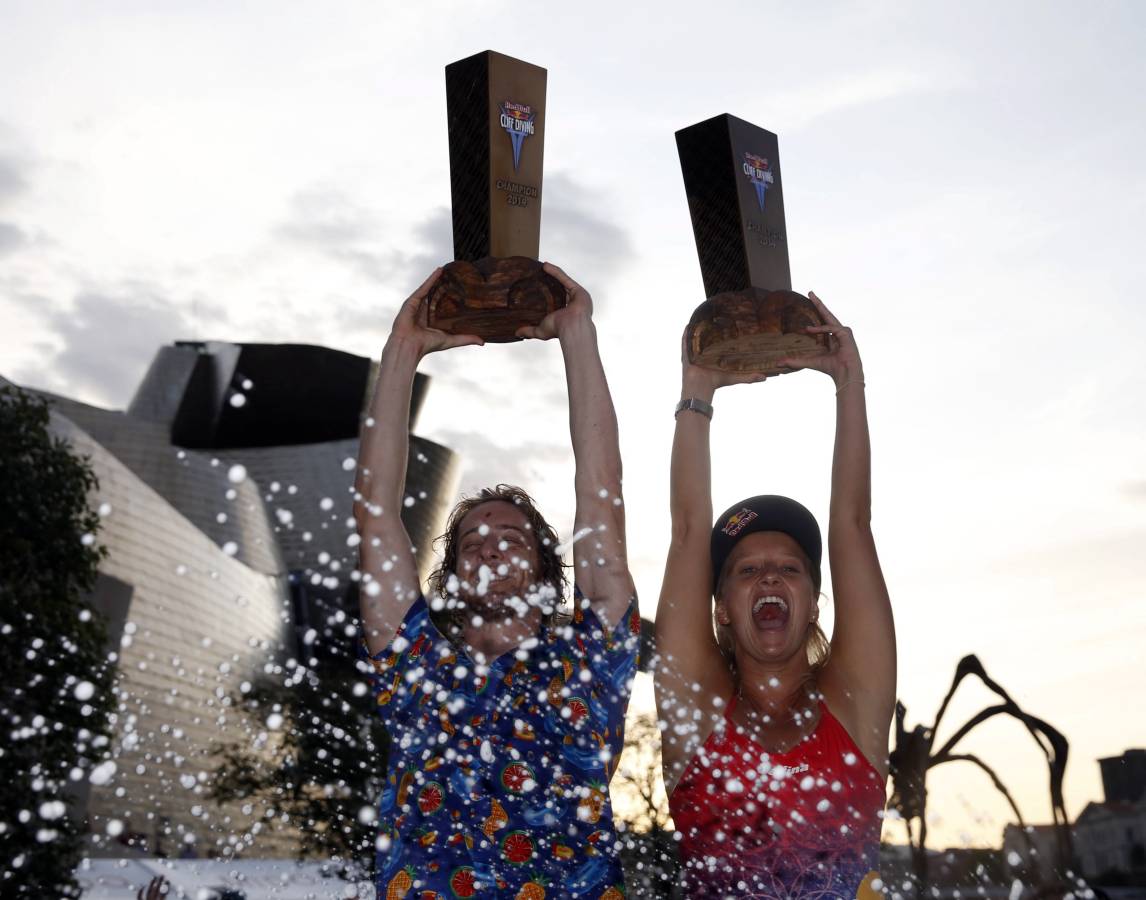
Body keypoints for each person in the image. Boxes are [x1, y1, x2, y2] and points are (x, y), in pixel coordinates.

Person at [355, 264, 639, 899]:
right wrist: (403, 349)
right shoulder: (417, 670)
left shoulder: (589, 666)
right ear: (453, 576)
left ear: (545, 566)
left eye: (511, 541)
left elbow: (602, 497)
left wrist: (577, 334)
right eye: (472, 545)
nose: (489, 551)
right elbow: (375, 515)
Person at [654, 293, 896, 898]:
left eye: (789, 568)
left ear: (814, 602)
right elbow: (687, 536)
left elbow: (854, 526)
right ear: (720, 610)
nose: (768, 578)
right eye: (745, 571)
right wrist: (697, 392)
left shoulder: (854, 705)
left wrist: (849, 383)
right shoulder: (697, 713)